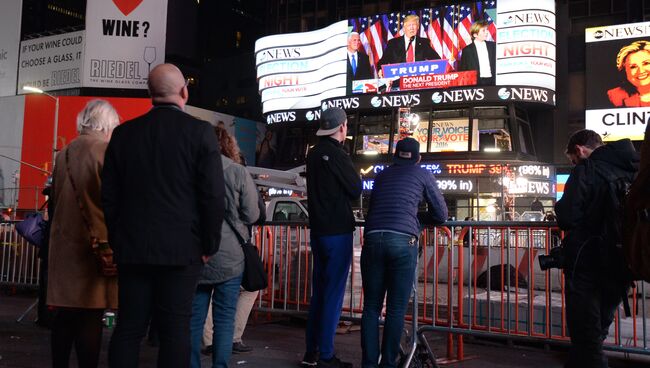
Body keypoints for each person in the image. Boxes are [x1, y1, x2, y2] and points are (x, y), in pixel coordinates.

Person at [102, 63, 225, 368]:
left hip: (133, 248)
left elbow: (110, 197)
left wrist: (119, 239)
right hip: (182, 250)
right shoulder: (200, 133)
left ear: (149, 93)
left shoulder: (123, 134)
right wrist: (209, 245)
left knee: (129, 328)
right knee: (175, 331)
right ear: (184, 91)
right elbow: (212, 196)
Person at [555, 129, 639, 368]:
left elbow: (568, 217)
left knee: (586, 338)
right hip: (622, 265)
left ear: (580, 150)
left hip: (587, 265)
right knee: (596, 332)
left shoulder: (587, 171)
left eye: (573, 159)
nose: (574, 163)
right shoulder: (633, 169)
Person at [360, 138, 447, 368]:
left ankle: (368, 364)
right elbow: (441, 214)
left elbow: (373, 210)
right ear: (418, 158)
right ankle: (387, 364)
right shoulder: (423, 174)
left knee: (371, 307)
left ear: (395, 156)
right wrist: (417, 219)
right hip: (402, 240)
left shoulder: (380, 176)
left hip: (373, 238)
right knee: (396, 308)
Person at [47, 99, 119, 368]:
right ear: (107, 124)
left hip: (63, 245)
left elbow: (55, 197)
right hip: (94, 247)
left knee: (65, 316)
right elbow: (110, 200)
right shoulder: (105, 151)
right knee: (91, 316)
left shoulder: (63, 152)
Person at [190, 125, 260, 368]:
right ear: (228, 145)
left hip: (198, 253)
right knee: (224, 318)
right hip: (231, 256)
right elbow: (252, 214)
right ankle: (220, 365)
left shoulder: (191, 171)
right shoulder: (238, 172)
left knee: (195, 317)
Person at [302, 107, 362, 368]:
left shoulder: (313, 155)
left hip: (318, 231)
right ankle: (326, 354)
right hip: (337, 231)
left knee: (319, 293)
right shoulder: (337, 154)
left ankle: (311, 352)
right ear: (342, 127)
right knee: (333, 294)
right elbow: (355, 188)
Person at [376, 14, 440, 77]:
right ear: (404, 28)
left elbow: (437, 60)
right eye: (409, 25)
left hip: (418, 80)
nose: (412, 28)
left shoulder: (423, 43)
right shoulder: (393, 43)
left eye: (414, 25)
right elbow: (383, 61)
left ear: (418, 27)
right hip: (398, 81)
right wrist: (380, 69)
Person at [607, 40, 650, 107]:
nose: (641, 71)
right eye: (633, 67)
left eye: (646, 63)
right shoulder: (614, 96)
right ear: (625, 71)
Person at [458, 20, 496, 86]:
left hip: (492, 82)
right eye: (483, 30)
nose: (487, 32)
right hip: (476, 84)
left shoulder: (493, 46)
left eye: (487, 30)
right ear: (475, 34)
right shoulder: (467, 50)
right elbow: (463, 70)